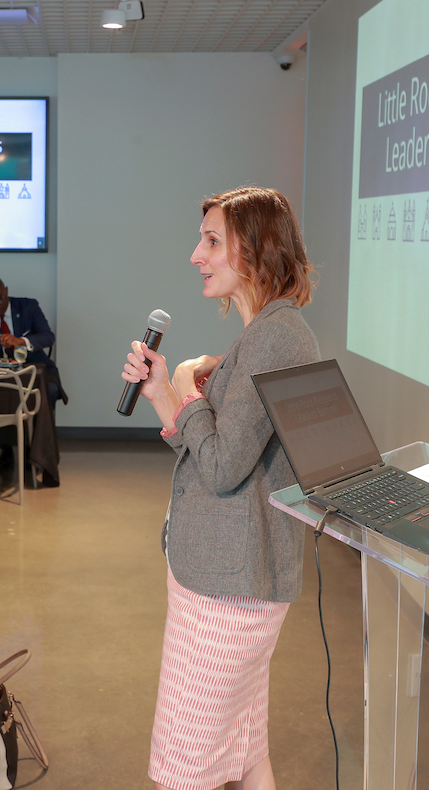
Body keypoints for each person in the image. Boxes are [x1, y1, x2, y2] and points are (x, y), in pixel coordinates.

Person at [122, 186, 319, 790]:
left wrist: (180, 386)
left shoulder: (274, 337)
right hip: (229, 576)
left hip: (229, 586)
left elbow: (225, 465)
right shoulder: (266, 332)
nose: (196, 255)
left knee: (185, 768)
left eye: (212, 242)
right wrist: (173, 398)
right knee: (241, 751)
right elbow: (220, 451)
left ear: (255, 250)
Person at [0, 275, 64, 404]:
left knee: (50, 390)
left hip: (36, 369)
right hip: (0, 375)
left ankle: (38, 425)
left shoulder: (28, 307)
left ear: (6, 291)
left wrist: (21, 341)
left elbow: (48, 337)